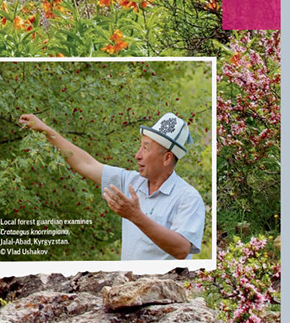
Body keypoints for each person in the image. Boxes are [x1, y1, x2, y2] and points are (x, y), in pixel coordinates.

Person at [14, 110, 205, 261]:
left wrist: (136, 216)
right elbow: (86, 163)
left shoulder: (188, 197)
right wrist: (46, 130)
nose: (137, 155)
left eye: (145, 148)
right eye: (140, 146)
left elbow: (181, 249)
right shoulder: (130, 181)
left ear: (167, 158)